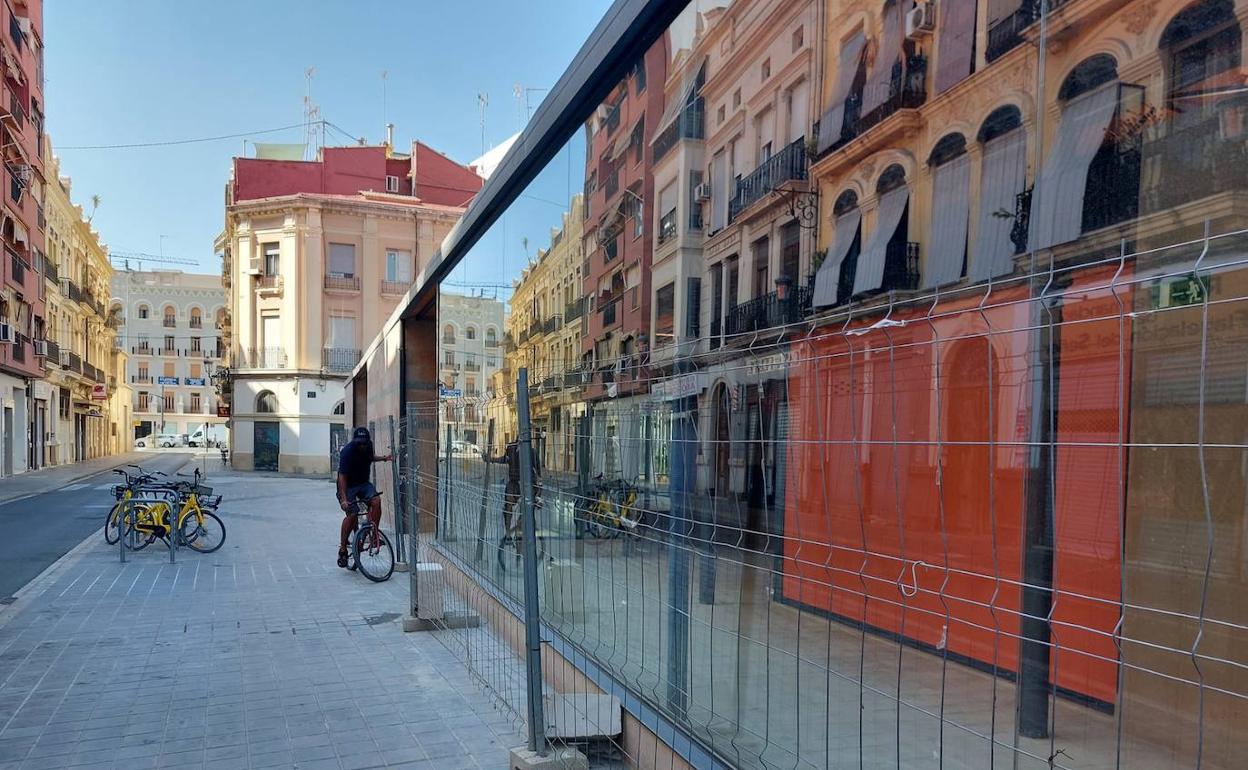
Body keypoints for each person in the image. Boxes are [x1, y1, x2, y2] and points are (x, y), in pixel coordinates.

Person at [336, 426, 393, 567]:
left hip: (363, 483)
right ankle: (343, 548)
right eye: (359, 443)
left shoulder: (368, 446)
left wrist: (385, 458)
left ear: (368, 441)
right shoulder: (347, 452)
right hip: (347, 486)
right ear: (354, 441)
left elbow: (370, 458)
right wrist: (344, 500)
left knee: (376, 501)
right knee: (351, 514)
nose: (362, 446)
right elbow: (342, 477)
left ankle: (373, 535)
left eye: (364, 443)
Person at [485, 437, 540, 541]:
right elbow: (504, 459)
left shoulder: (532, 452)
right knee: (508, 506)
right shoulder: (511, 448)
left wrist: (538, 493)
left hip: (528, 484)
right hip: (514, 482)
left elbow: (539, 474)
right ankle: (508, 533)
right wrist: (491, 459)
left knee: (526, 509)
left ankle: (520, 528)